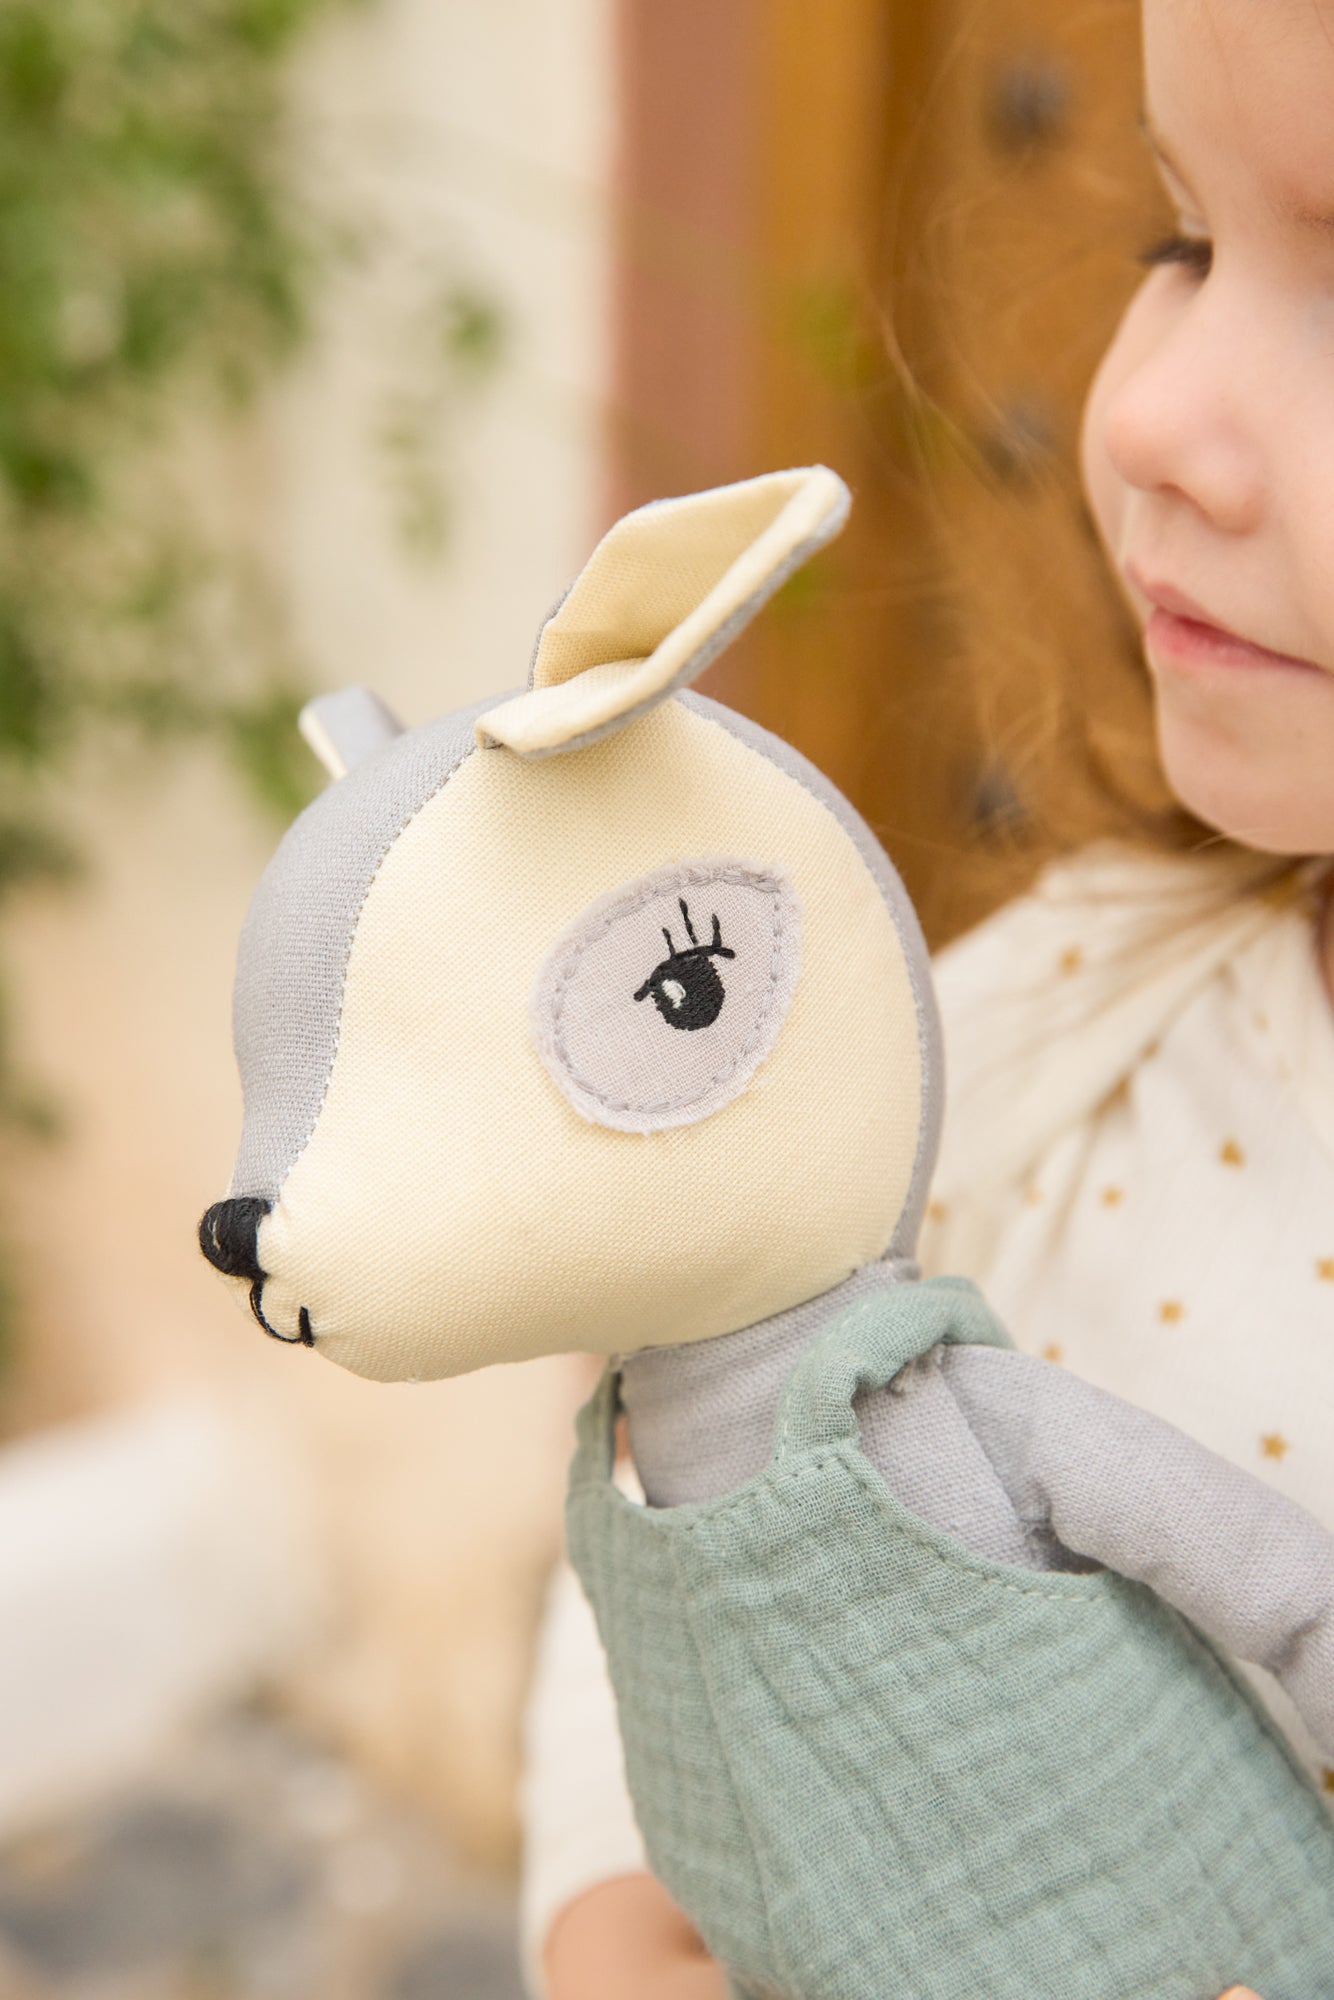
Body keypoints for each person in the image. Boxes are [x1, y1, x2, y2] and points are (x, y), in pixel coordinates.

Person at [522, 0, 1334, 1993]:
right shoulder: (1034, 1026)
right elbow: (692, 1536)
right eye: (1181, 237)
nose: (1141, 414)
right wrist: (622, 1925)